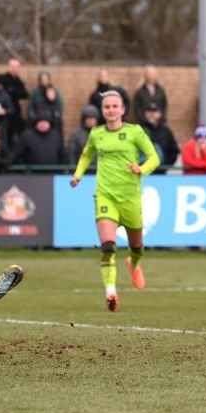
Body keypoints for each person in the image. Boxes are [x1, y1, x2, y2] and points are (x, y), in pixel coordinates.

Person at [70, 90, 159, 312]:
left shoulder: (134, 132)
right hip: (105, 195)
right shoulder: (96, 133)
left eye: (114, 106)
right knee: (108, 246)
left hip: (130, 197)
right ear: (102, 110)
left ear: (122, 109)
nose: (110, 110)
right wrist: (78, 174)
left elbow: (154, 157)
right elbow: (86, 154)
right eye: (106, 106)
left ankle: (134, 263)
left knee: (136, 247)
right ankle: (111, 292)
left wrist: (141, 169)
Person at [138, 102, 179, 173]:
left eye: (154, 112)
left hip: (160, 173)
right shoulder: (138, 130)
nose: (152, 114)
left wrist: (165, 165)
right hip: (142, 171)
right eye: (149, 112)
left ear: (159, 114)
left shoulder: (166, 131)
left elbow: (174, 151)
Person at [0, 59, 29, 147]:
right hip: (3, 114)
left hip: (15, 114)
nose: (14, 69)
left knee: (16, 138)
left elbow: (25, 94)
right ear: (8, 67)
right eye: (12, 66)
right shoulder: (1, 79)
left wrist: (13, 91)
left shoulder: (19, 81)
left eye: (16, 67)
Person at [26, 70, 64, 139]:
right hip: (38, 121)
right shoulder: (35, 92)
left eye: (46, 79)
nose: (44, 81)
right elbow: (31, 108)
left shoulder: (55, 91)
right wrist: (35, 119)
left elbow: (60, 107)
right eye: (42, 79)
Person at [66, 104, 100, 169]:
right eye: (88, 119)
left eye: (92, 118)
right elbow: (71, 152)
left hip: (98, 171)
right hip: (81, 171)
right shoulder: (75, 134)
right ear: (84, 120)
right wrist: (73, 168)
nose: (90, 121)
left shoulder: (101, 133)